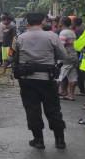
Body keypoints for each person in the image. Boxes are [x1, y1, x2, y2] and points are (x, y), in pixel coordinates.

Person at [11, 12, 70, 149]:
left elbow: (13, 58)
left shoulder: (19, 38)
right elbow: (63, 55)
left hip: (27, 80)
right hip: (47, 79)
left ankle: (38, 140)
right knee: (53, 109)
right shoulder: (52, 36)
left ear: (27, 22)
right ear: (42, 21)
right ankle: (60, 140)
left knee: (32, 109)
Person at [57, 16, 78, 100]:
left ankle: (54, 93)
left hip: (66, 57)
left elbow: (61, 47)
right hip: (73, 56)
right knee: (72, 76)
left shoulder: (63, 33)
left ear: (61, 23)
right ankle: (71, 95)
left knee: (61, 76)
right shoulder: (72, 32)